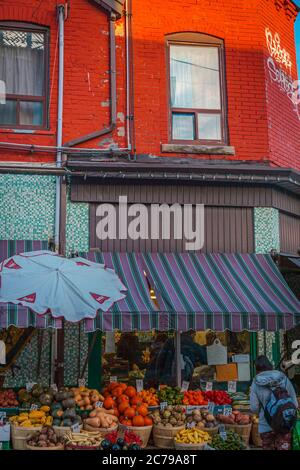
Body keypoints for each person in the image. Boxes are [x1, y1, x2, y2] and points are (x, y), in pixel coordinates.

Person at [250, 355, 298, 450]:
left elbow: (254, 408)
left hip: (266, 425)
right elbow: (295, 404)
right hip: (284, 423)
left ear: (257, 368)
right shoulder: (283, 378)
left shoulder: (255, 383)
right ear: (269, 365)